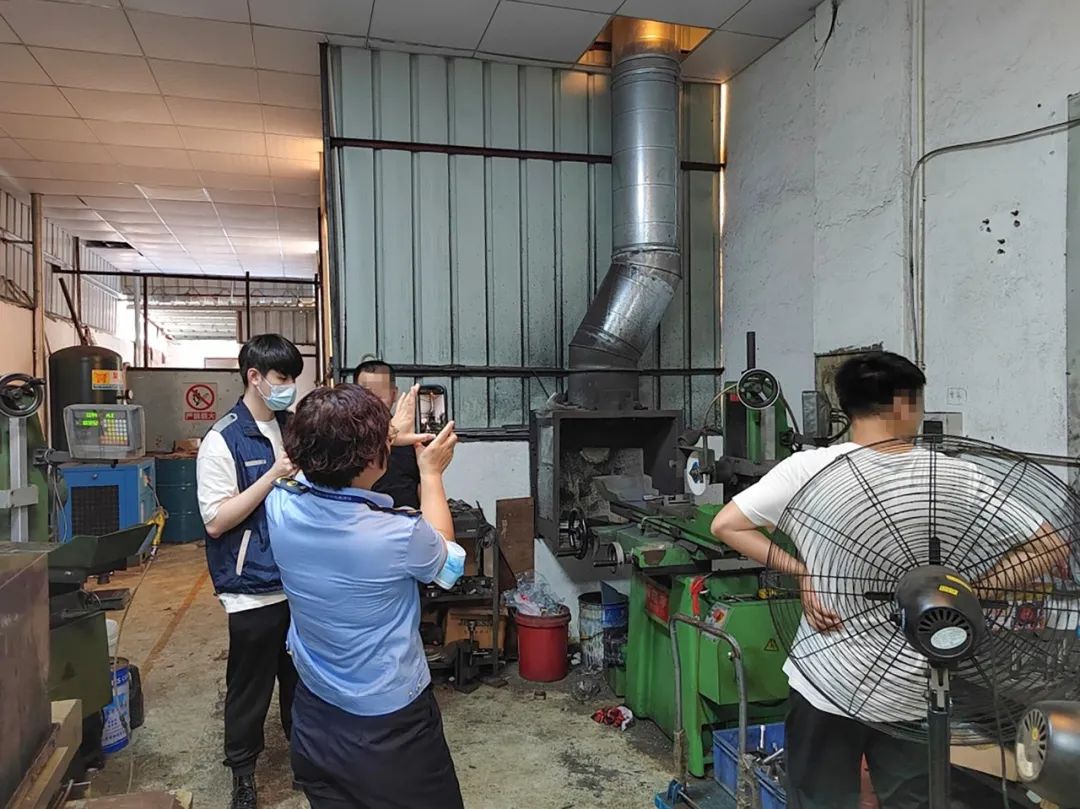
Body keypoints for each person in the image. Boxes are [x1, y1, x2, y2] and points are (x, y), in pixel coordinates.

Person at [710, 351, 1066, 809]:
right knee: (914, 801)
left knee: (818, 801)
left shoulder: (807, 470)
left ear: (847, 407)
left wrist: (804, 572)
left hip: (826, 680)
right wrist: (965, 594)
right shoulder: (954, 474)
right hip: (915, 689)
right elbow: (1051, 545)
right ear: (905, 405)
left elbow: (727, 525)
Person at [265, 384, 465, 809]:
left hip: (315, 714)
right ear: (374, 460)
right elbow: (449, 566)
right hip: (389, 729)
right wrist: (430, 475)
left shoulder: (280, 503)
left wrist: (384, 435)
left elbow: (310, 467)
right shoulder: (397, 533)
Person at [195, 334, 303, 809]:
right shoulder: (223, 440)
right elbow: (216, 520)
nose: (289, 386)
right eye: (282, 377)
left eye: (293, 378)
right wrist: (271, 475)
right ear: (254, 377)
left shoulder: (292, 427)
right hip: (252, 587)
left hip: (297, 581)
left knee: (300, 680)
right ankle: (243, 773)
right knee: (250, 687)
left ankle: (306, 760)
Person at [353, 360, 421, 509]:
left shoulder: (411, 439)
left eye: (380, 396)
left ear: (394, 394)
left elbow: (421, 486)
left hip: (406, 518)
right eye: (367, 395)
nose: (373, 403)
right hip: (360, 517)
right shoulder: (346, 436)